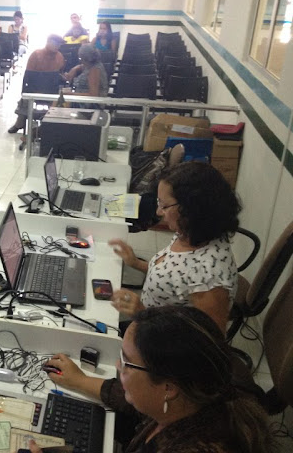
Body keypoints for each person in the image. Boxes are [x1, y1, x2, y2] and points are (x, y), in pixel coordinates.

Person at [33, 306, 273, 453]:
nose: (118, 366)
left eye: (126, 361)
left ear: (168, 387)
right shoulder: (192, 397)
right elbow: (134, 397)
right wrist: (79, 381)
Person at [108, 161, 241, 332]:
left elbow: (207, 340)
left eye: (164, 205)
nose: (158, 212)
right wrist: (136, 263)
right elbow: (175, 276)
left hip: (157, 338)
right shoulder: (190, 232)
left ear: (192, 209)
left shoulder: (208, 276)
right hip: (147, 323)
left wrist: (142, 313)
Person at [7, 34, 65, 134]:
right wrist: (24, 92)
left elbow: (60, 75)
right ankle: (20, 122)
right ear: (48, 42)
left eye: (59, 44)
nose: (57, 46)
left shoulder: (59, 57)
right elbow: (28, 76)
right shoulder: (36, 54)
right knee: (25, 99)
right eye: (55, 43)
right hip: (35, 89)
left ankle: (47, 125)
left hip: (52, 91)